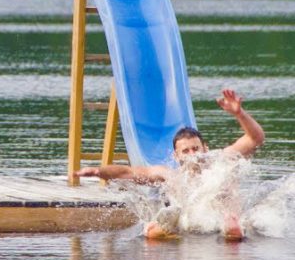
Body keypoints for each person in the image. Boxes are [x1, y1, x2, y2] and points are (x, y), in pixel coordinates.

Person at [74, 89, 265, 240]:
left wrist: (240, 114)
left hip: (222, 221)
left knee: (228, 214)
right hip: (190, 225)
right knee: (158, 226)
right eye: (186, 151)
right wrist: (99, 171)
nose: (192, 155)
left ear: (205, 148)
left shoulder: (220, 161)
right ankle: (165, 234)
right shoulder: (169, 175)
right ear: (176, 156)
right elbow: (127, 172)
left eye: (195, 149)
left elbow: (255, 138)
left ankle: (233, 229)